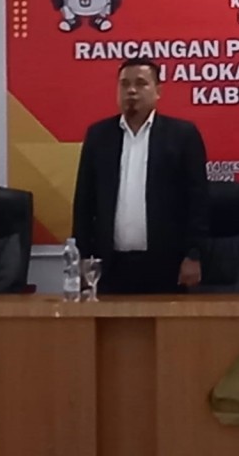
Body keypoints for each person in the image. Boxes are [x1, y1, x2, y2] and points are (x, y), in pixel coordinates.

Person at [72, 57, 209, 294]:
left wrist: (194, 255)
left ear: (158, 91)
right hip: (110, 265)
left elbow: (198, 201)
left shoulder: (182, 135)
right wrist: (82, 256)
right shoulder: (99, 136)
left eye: (141, 83)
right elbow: (84, 201)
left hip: (167, 264)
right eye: (125, 84)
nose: (132, 91)